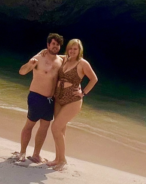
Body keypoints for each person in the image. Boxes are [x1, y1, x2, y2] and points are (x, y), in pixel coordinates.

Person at [47, 39, 98, 171]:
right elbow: (53, 55)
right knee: (61, 130)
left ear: (79, 50)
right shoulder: (65, 60)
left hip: (73, 100)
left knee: (55, 128)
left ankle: (63, 160)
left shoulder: (83, 63)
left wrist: (84, 92)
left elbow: (94, 79)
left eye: (75, 49)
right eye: (70, 48)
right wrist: (42, 53)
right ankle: (58, 158)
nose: (72, 51)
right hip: (59, 98)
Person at [16, 33, 64, 163]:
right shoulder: (38, 58)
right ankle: (22, 152)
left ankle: (36, 154)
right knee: (29, 125)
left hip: (50, 100)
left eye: (57, 44)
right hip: (36, 97)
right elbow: (22, 71)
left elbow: (74, 58)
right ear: (48, 45)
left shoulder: (61, 61)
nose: (55, 46)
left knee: (44, 127)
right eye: (53, 44)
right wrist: (29, 65)